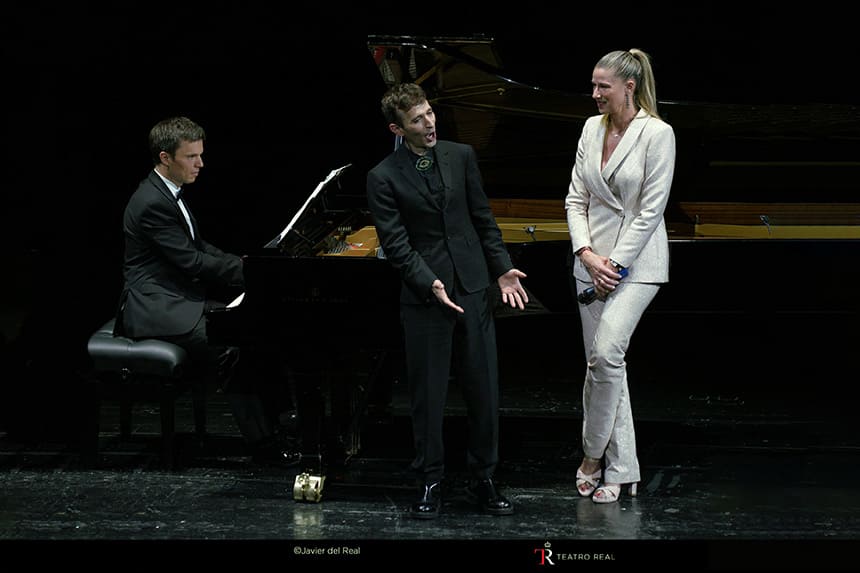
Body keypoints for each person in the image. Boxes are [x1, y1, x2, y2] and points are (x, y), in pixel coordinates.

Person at [366, 83, 529, 519]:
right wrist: (429, 282)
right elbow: (396, 245)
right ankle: (429, 479)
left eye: (430, 113)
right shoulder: (382, 176)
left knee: (483, 388)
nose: (429, 123)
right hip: (426, 298)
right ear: (397, 129)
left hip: (473, 288)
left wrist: (501, 267)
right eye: (417, 119)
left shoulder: (461, 156)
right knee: (428, 394)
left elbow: (483, 219)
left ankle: (485, 477)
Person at [117, 116, 299, 467]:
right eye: (191, 156)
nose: (200, 163)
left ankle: (285, 422)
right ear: (165, 157)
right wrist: (251, 273)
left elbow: (199, 247)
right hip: (157, 306)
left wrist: (245, 263)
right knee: (232, 346)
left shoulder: (167, 192)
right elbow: (192, 262)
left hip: (178, 297)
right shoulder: (152, 202)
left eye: (200, 154)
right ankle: (263, 445)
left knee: (258, 329)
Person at [565, 49, 675, 503]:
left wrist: (615, 265)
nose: (594, 93)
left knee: (607, 353)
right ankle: (623, 468)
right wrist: (587, 254)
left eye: (602, 86)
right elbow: (575, 200)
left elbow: (651, 210)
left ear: (629, 86)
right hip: (590, 263)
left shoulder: (658, 133)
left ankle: (592, 455)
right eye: (593, 84)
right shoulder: (591, 128)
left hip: (637, 265)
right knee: (604, 365)